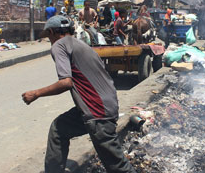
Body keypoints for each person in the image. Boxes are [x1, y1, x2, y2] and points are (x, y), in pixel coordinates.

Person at [21, 15, 136, 173]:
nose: (50, 41)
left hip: (97, 111)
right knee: (58, 129)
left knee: (118, 166)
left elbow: (65, 82)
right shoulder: (81, 45)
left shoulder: (59, 45)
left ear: (53, 32)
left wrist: (36, 93)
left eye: (49, 37)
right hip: (104, 105)